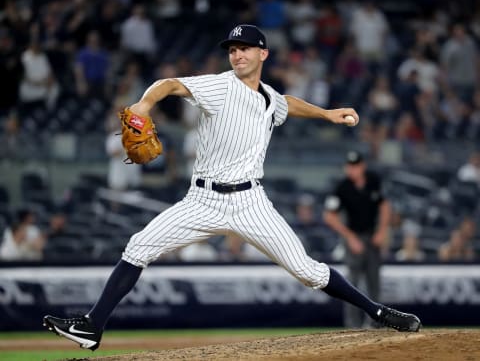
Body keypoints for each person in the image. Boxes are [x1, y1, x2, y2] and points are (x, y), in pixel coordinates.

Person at [43, 24, 420, 351]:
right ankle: (93, 326)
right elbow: (170, 84)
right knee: (139, 246)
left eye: (244, 48)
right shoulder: (217, 87)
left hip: (251, 202)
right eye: (232, 49)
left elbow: (285, 103)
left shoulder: (270, 97)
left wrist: (325, 113)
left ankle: (378, 312)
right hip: (203, 200)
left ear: (263, 54)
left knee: (309, 272)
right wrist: (144, 104)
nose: (237, 54)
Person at [323, 150, 392, 329]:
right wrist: (350, 237)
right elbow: (329, 216)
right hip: (354, 237)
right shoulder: (342, 187)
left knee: (374, 282)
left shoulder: (373, 180)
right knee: (351, 285)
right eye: (349, 166)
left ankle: (377, 324)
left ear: (362, 166)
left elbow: (385, 206)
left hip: (372, 236)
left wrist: (382, 231)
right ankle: (353, 326)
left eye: (354, 166)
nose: (351, 170)